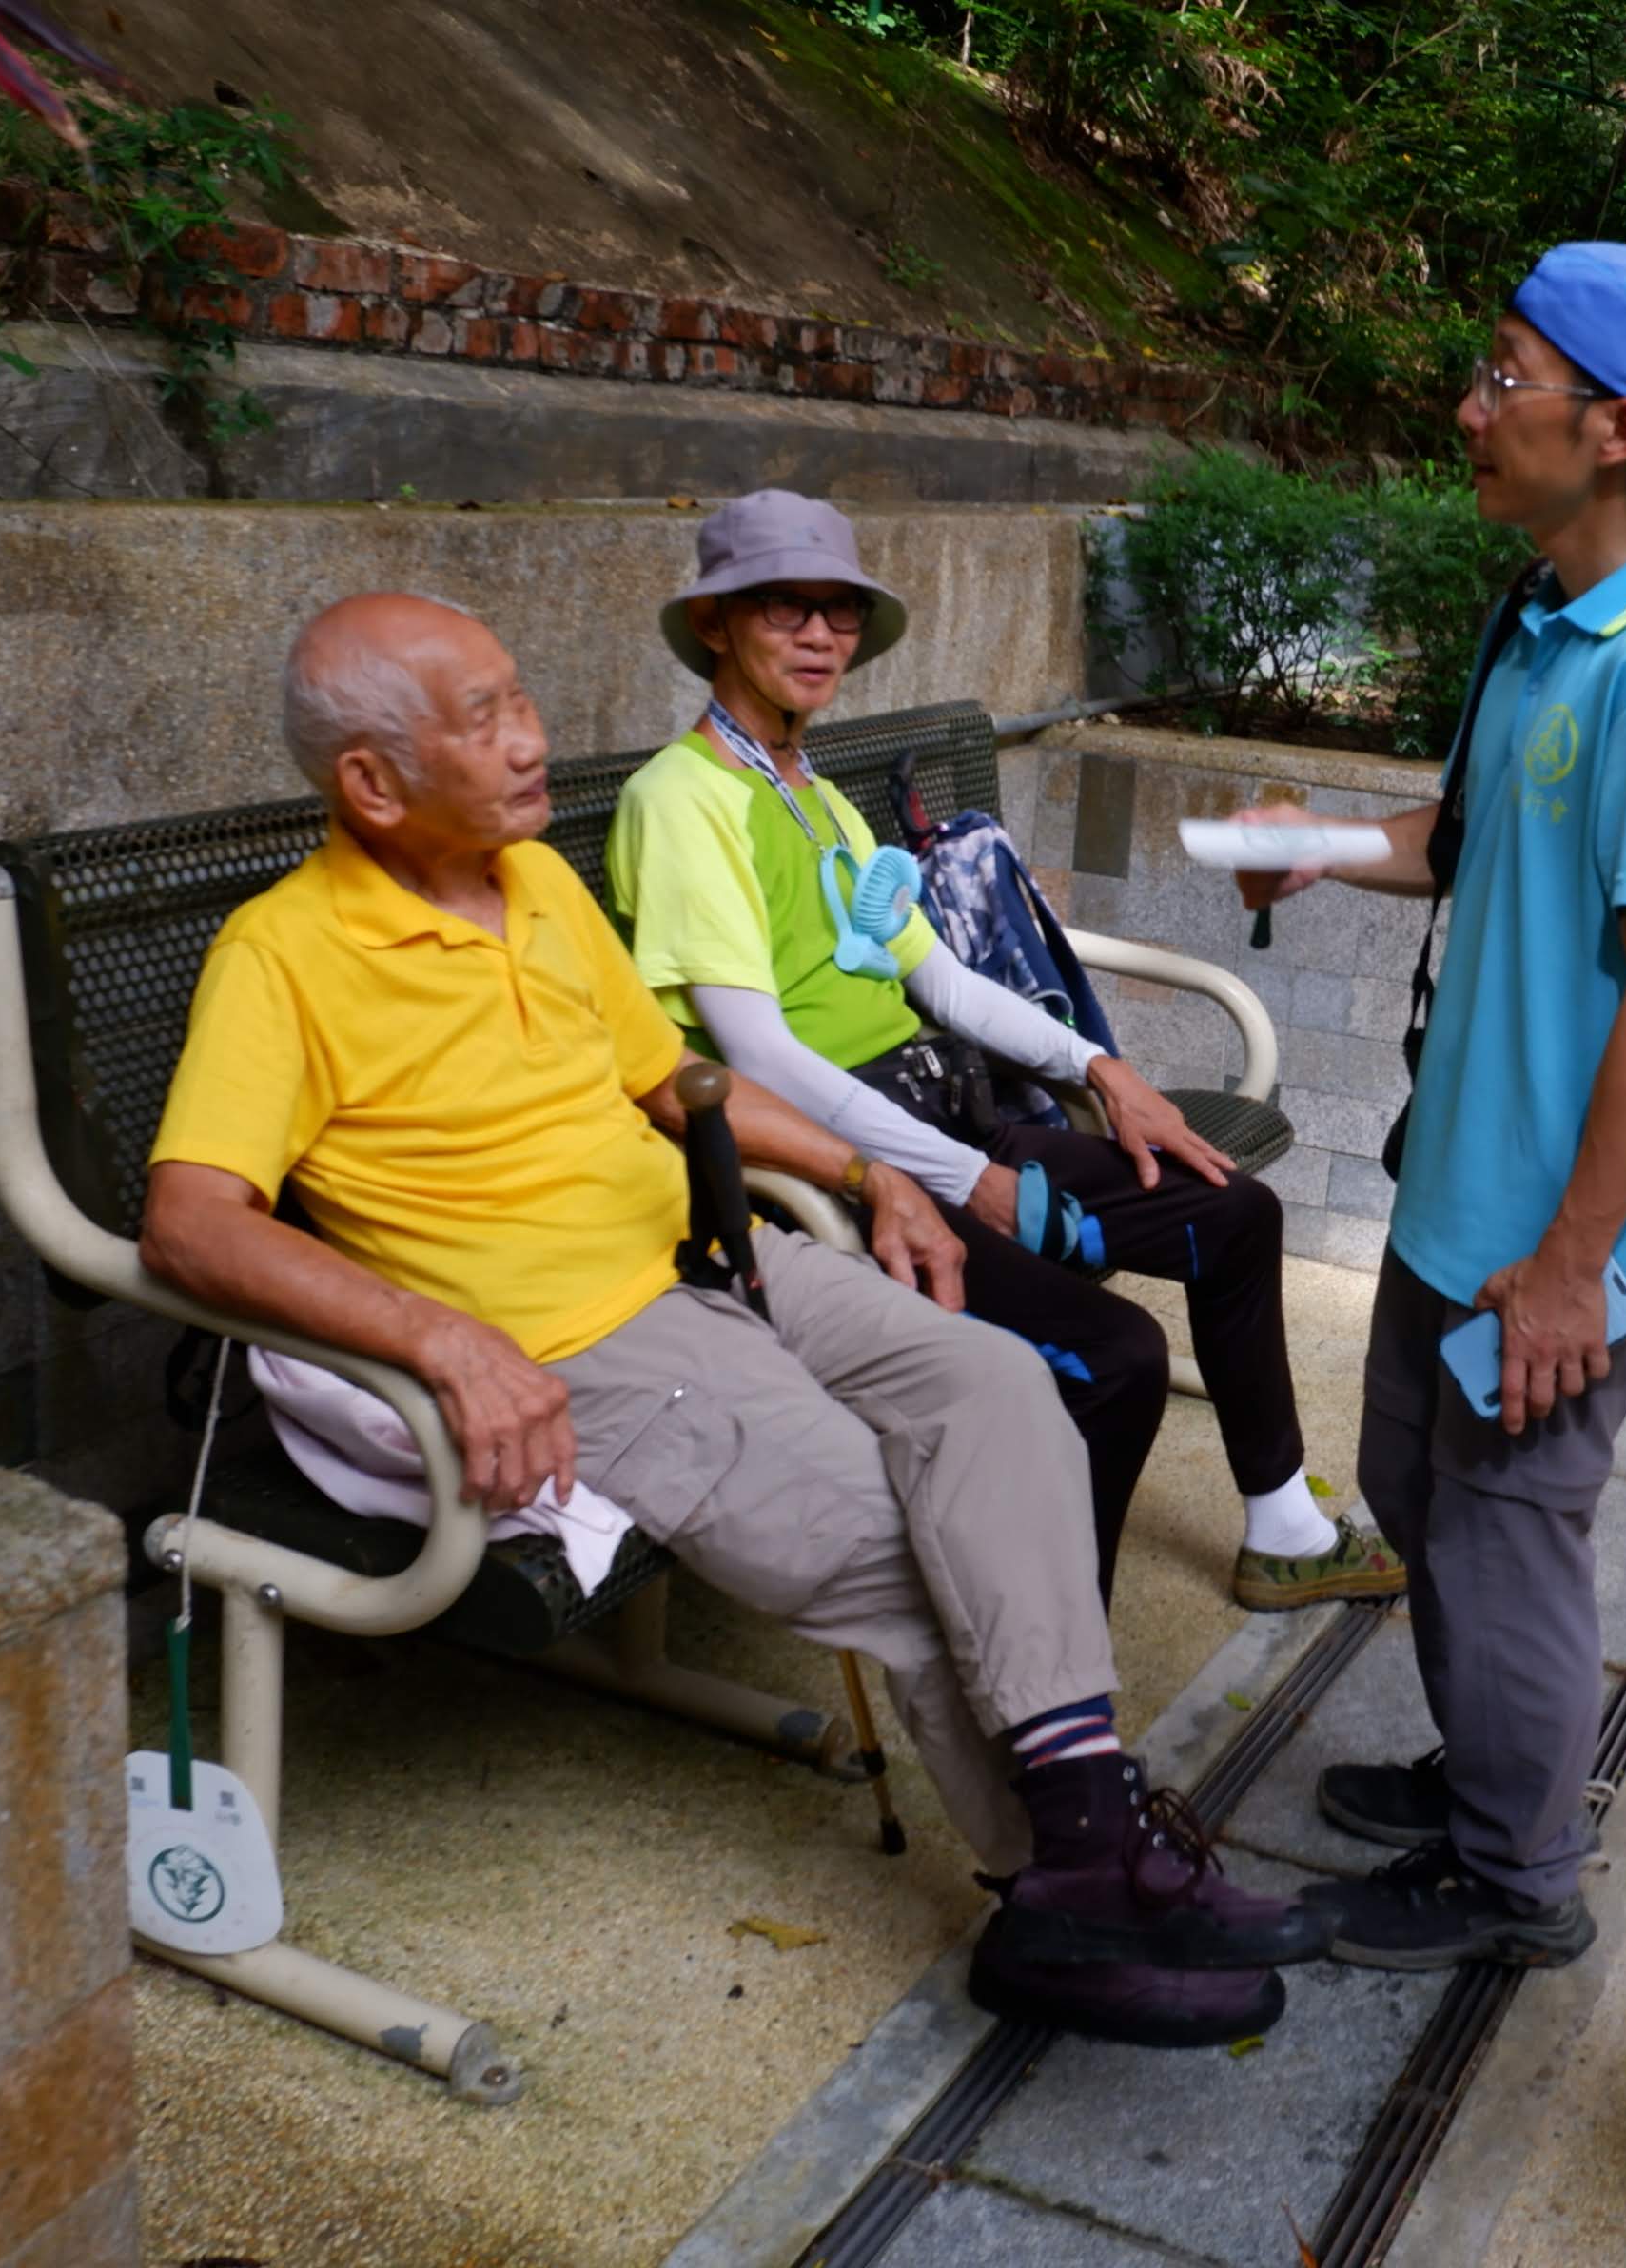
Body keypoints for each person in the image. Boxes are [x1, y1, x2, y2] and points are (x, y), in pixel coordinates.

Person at [136, 592, 1329, 2048]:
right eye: (485, 717)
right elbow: (191, 1223)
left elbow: (675, 1085)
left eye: (522, 699)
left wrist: (872, 1176)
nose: (531, 740)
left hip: (725, 1252)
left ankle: (1085, 1860)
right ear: (372, 783)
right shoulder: (282, 956)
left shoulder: (537, 883)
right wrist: (442, 1342)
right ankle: (1069, 1883)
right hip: (584, 1344)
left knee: (1004, 1389)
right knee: (903, 1534)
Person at [1231, 243, 1626, 1970]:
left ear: (1617, 429)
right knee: (1414, 1483)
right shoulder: (1540, 616)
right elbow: (1460, 841)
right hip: (1458, 1192)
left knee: (1507, 1538)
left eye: (1503, 378)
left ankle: (1519, 1877)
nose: (1470, 409)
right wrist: (1309, 843)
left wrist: (1570, 1267)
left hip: (1552, 1234)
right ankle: (1492, 1774)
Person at [604, 490, 1403, 1613]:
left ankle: (1283, 1531)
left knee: (1232, 1213)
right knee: (1118, 1358)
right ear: (714, 623)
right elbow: (760, 1059)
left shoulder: (817, 797)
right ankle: (1046, 1673)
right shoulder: (682, 800)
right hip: (822, 1185)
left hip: (946, 1120)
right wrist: (959, 1179)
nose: (821, 634)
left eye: (839, 610)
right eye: (785, 607)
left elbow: (939, 980)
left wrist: (1102, 1069)